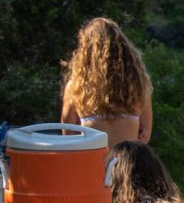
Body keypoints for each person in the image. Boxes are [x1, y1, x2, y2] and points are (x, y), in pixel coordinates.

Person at [61, 16, 153, 146]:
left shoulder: (77, 87)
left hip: (91, 162)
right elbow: (145, 135)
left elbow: (68, 135)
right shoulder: (139, 85)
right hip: (125, 163)